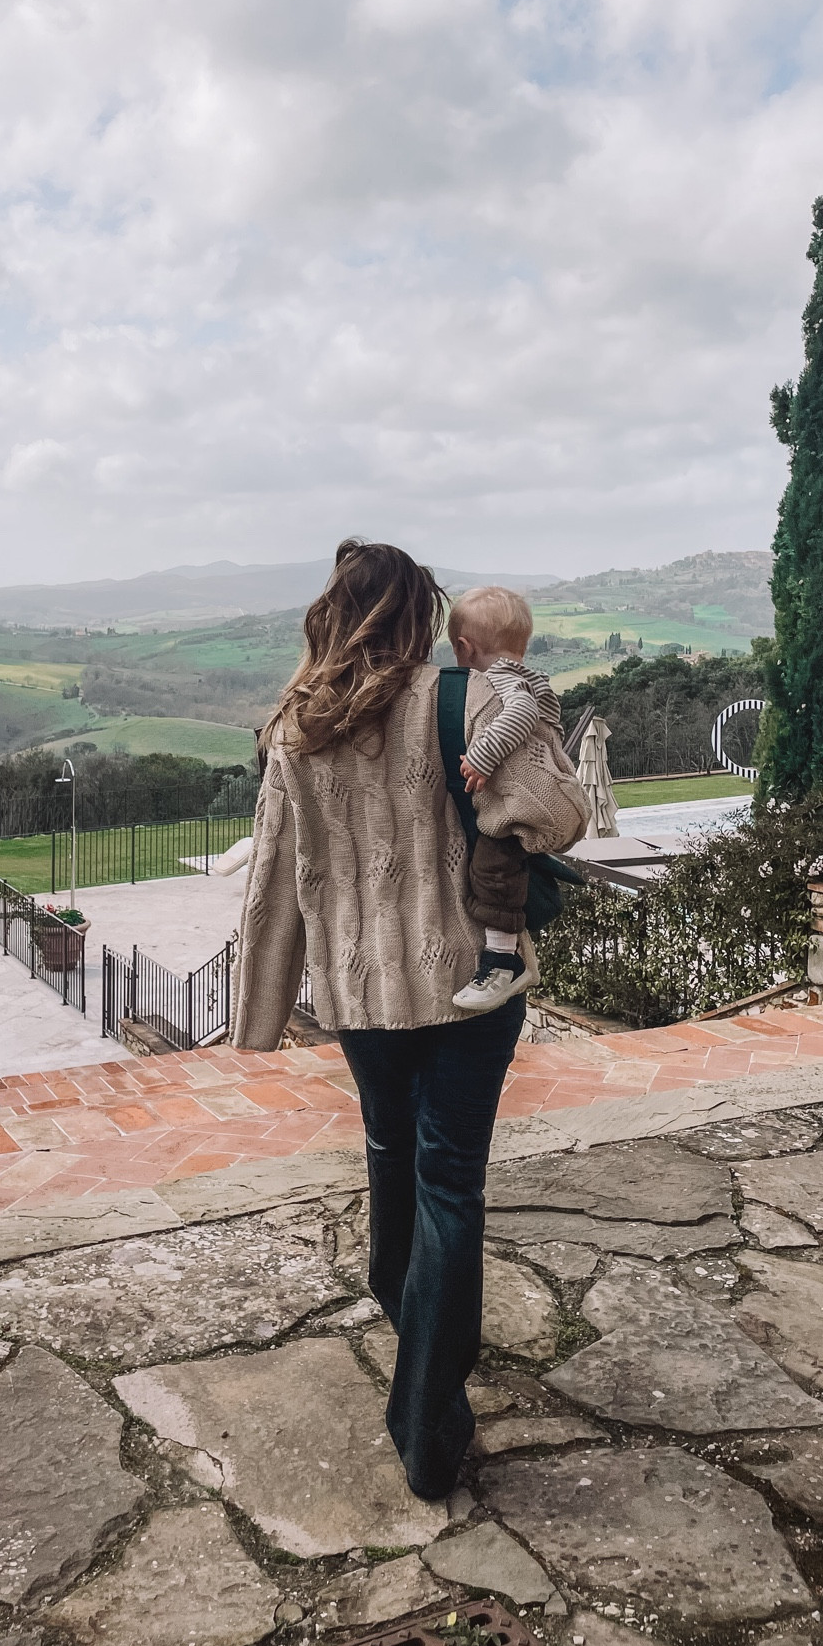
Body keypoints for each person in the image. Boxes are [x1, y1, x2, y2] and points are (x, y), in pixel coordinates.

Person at [230, 539, 588, 1500]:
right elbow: (559, 816)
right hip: (474, 983)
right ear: (421, 617)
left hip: (360, 996)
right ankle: (429, 1419)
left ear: (332, 615)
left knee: (391, 1153)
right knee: (451, 1182)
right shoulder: (462, 701)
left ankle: (407, 1315)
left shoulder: (295, 726)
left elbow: (271, 878)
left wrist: (257, 1018)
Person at [446, 584, 563, 1013]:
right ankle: (515, 957)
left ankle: (501, 961)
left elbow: (523, 714)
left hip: (520, 795)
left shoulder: (498, 679)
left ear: (464, 646)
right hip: (534, 785)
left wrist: (481, 756)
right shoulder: (526, 674)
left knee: (493, 868)